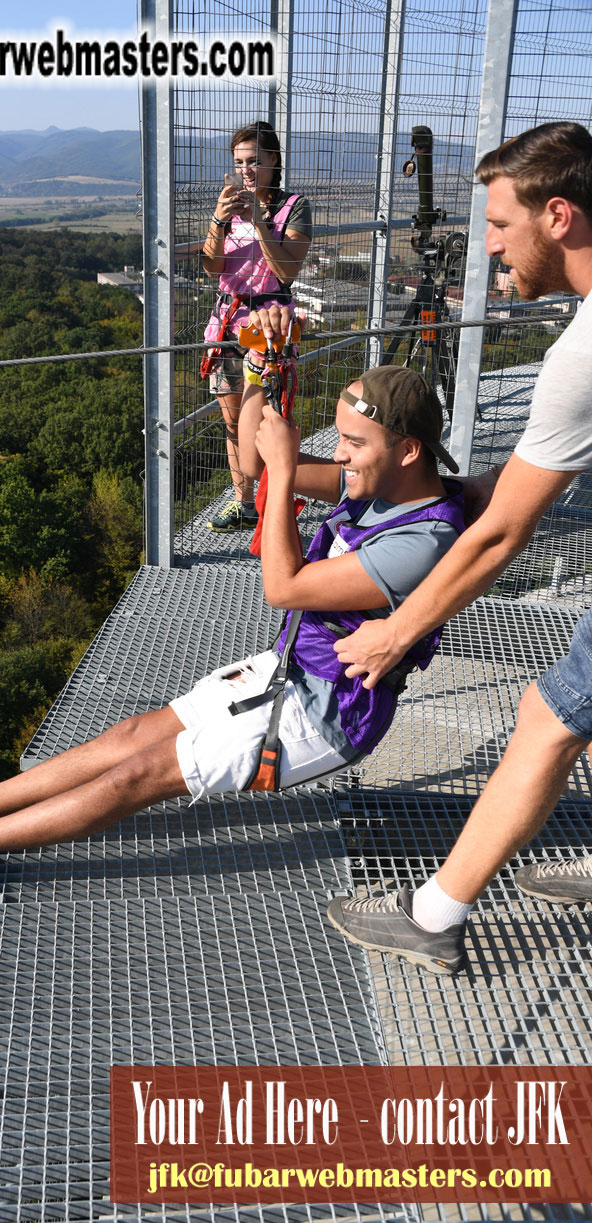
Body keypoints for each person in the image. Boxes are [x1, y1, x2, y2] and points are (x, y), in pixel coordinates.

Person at [0, 368, 463, 882]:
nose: (338, 454)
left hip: (325, 715)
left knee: (139, 775)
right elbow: (254, 461)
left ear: (407, 450)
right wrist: (258, 373)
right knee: (131, 735)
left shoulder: (420, 540)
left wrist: (281, 478)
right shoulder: (377, 480)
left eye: (354, 441)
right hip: (290, 670)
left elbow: (283, 587)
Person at [324, 120, 592, 976]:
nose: (487, 245)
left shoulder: (581, 356)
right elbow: (512, 488)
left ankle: (434, 917)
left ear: (558, 215)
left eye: (500, 225)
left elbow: (504, 531)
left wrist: (396, 634)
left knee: (549, 720)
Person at [201, 120, 311, 532]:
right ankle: (244, 501)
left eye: (253, 162)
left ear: (273, 162)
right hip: (228, 323)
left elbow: (286, 269)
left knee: (265, 420)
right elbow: (212, 268)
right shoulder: (229, 207)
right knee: (233, 419)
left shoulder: (294, 206)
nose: (245, 171)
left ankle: (273, 499)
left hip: (269, 328)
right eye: (238, 163)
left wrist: (260, 223)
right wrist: (218, 220)